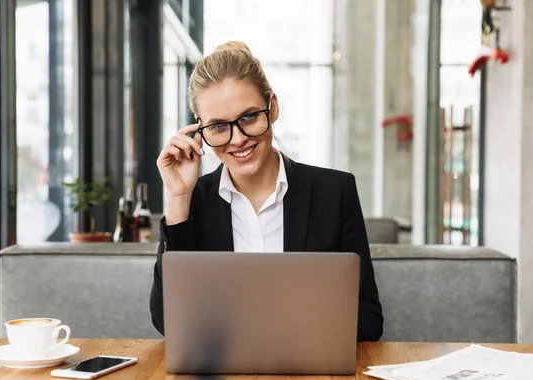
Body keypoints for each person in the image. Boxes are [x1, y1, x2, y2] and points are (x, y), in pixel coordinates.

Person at [150, 41, 383, 341]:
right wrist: (178, 198)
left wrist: (281, 334)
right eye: (219, 126)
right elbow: (167, 322)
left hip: (309, 376)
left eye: (248, 117)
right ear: (200, 131)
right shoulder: (193, 201)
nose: (238, 139)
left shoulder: (334, 193)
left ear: (272, 108)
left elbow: (368, 320)